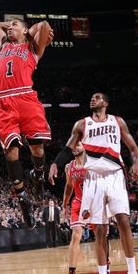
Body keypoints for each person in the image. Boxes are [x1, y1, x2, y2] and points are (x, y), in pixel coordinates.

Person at [49, 92, 138, 274]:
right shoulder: (82, 124)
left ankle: (132, 270)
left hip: (114, 175)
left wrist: (136, 162)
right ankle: (102, 271)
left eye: (96, 97)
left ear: (105, 102)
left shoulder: (117, 121)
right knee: (99, 229)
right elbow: (68, 148)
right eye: (91, 97)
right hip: (93, 177)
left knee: (123, 220)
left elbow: (133, 148)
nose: (92, 99)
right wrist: (55, 164)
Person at [0, 18, 54, 229]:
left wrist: (31, 30)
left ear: (26, 30)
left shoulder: (33, 48)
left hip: (26, 97)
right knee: (11, 152)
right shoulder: (2, 44)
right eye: (9, 26)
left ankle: (38, 175)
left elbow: (44, 25)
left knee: (37, 148)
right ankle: (22, 199)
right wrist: (13, 25)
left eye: (14, 25)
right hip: (3, 101)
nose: (9, 27)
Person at [62, 142, 87, 274]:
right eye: (74, 146)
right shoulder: (69, 167)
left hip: (93, 202)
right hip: (78, 201)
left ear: (84, 146)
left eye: (78, 145)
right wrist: (65, 204)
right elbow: (69, 187)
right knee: (76, 235)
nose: (75, 147)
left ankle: (105, 265)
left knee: (101, 235)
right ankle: (72, 270)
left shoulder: (93, 163)